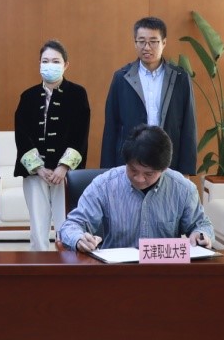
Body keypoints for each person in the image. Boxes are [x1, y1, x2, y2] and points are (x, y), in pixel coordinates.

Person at [59, 125, 213, 252]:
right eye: (133, 170)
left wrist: (201, 235)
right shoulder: (104, 185)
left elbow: (201, 225)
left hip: (164, 270)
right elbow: (71, 225)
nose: (139, 179)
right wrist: (79, 239)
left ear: (164, 169)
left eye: (148, 174)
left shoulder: (183, 189)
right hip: (117, 272)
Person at [13, 40, 90, 250]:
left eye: (56, 61)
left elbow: (80, 134)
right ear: (39, 63)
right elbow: (22, 135)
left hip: (65, 173)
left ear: (66, 65)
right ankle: (39, 263)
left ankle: (68, 261)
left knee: (67, 222)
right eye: (45, 61)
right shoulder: (28, 96)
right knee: (37, 226)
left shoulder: (77, 94)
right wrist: (38, 168)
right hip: (35, 173)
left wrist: (63, 167)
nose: (50, 65)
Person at [100, 16, 197, 175]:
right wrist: (107, 170)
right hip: (130, 161)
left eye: (153, 41)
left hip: (168, 161)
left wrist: (186, 171)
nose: (147, 47)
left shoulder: (180, 78)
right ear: (135, 43)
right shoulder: (121, 77)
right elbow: (111, 127)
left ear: (164, 43)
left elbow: (188, 127)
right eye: (141, 41)